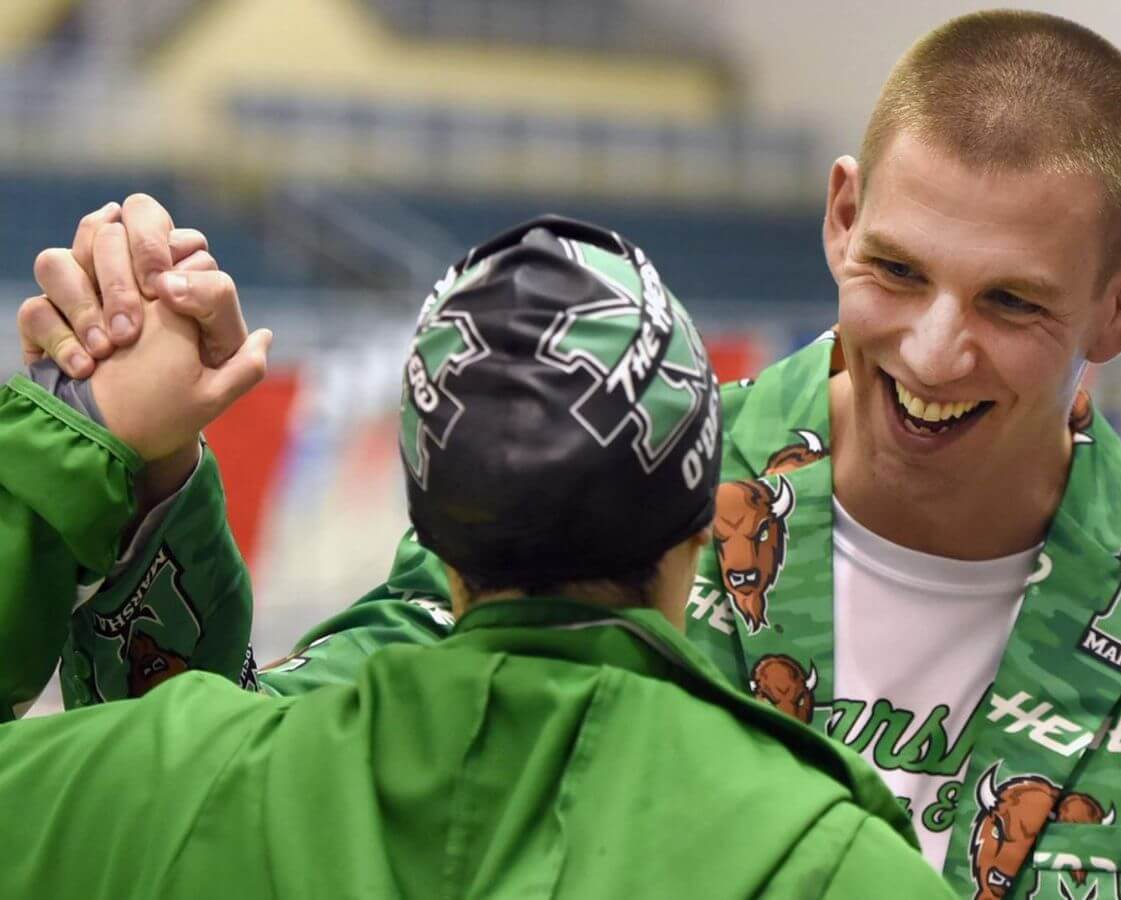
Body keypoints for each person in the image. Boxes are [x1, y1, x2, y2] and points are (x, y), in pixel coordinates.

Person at [17, 10, 1121, 898]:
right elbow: (233, 797)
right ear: (842, 218)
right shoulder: (618, 478)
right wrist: (145, 469)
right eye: (897, 270)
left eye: (1011, 302)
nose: (936, 350)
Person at [0, 217, 950, 898]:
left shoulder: (178, 783)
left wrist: (79, 441)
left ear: (426, 519)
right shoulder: (828, 863)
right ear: (705, 514)